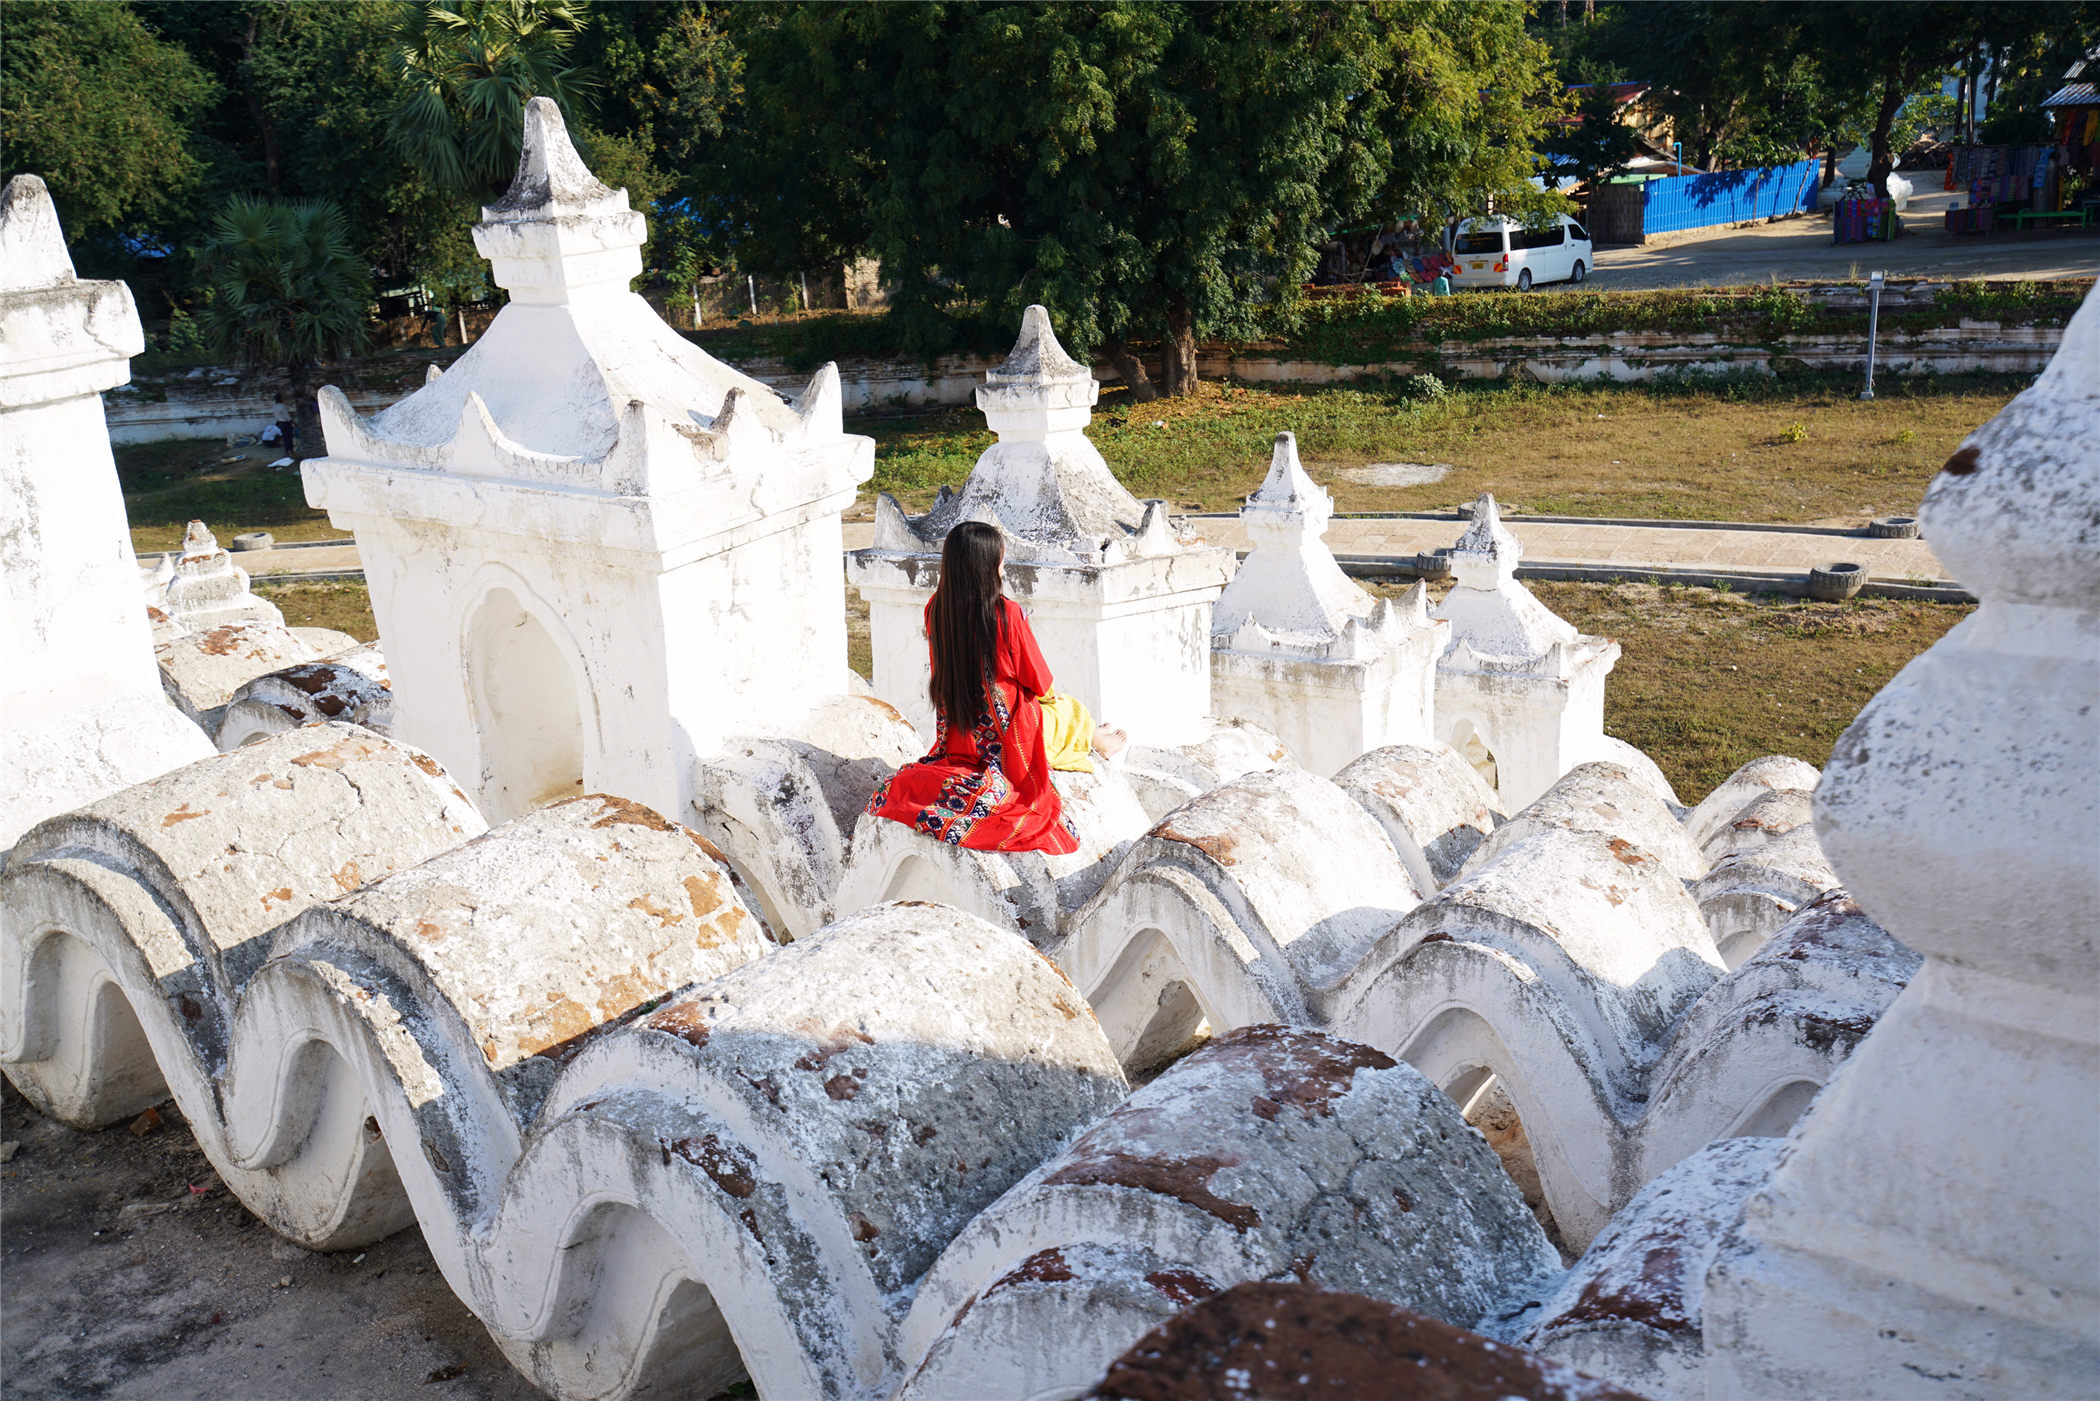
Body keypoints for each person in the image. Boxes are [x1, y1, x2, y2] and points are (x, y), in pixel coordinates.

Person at [865, 520, 1127, 853]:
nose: (1003, 566)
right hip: (1009, 740)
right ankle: (1100, 740)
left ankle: (1094, 735)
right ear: (988, 566)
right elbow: (1040, 681)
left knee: (1055, 708)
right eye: (1000, 560)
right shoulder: (1006, 614)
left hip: (960, 734)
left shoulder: (936, 609)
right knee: (1067, 708)